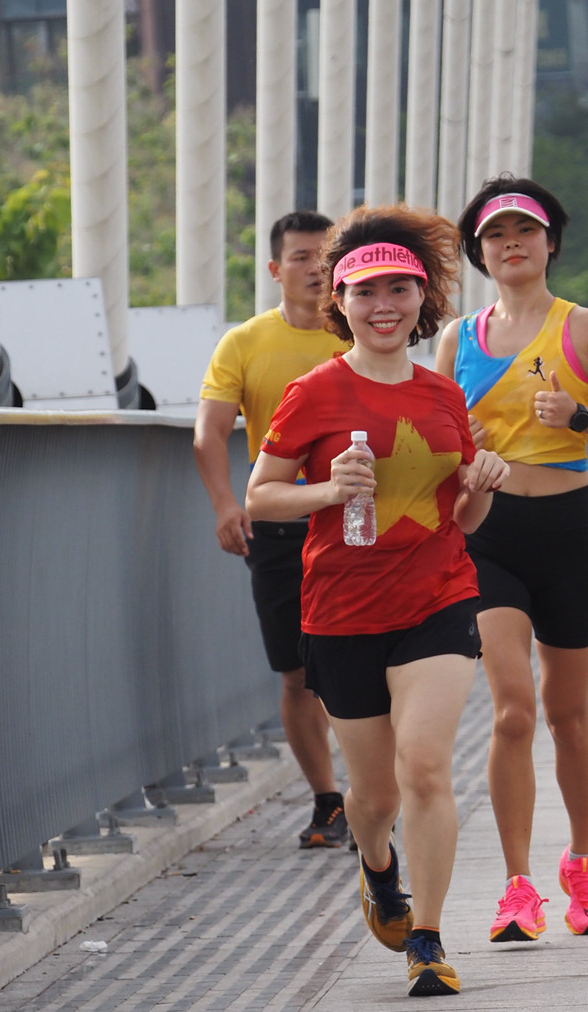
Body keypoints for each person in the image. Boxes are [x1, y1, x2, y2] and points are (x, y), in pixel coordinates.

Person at [246, 206, 509, 997]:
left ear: (422, 298)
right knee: (373, 796)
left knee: (426, 766)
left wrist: (482, 485)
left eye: (400, 289)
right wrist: (327, 488)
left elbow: (461, 520)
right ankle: (378, 866)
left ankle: (426, 938)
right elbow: (261, 497)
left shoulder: (441, 398)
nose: (384, 305)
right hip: (340, 609)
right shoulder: (313, 393)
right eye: (367, 292)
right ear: (343, 302)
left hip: (437, 597)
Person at [434, 176, 588, 945]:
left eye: (526, 230)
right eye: (496, 236)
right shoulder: (456, 340)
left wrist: (578, 415)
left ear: (551, 242)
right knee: (513, 711)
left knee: (567, 714)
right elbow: (432, 442)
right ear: (479, 252)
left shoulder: (583, 327)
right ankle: (517, 885)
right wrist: (463, 452)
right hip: (487, 534)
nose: (512, 244)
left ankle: (583, 865)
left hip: (565, 529)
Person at [193, 210, 349, 850]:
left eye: (325, 256)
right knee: (295, 672)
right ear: (274, 269)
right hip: (281, 525)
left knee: (362, 662)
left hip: (355, 519)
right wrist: (226, 504)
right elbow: (209, 431)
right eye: (302, 256)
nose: (315, 267)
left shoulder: (361, 333)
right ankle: (328, 801)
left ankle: (377, 791)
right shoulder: (245, 342)